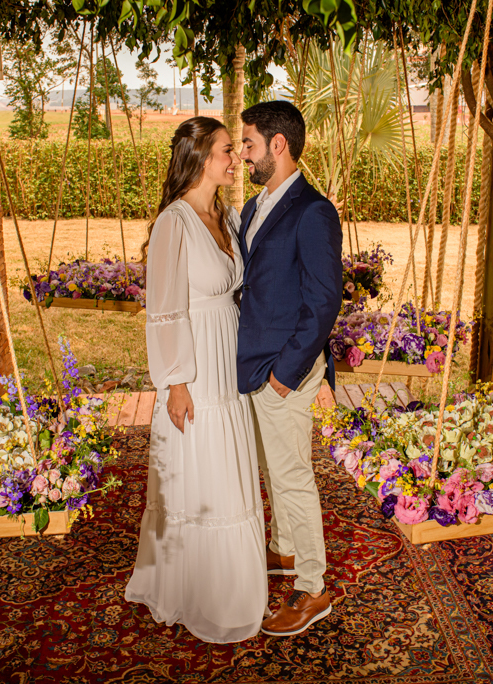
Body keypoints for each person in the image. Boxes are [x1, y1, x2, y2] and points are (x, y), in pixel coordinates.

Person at [125, 117, 268, 643]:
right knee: (201, 470)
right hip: (195, 366)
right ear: (201, 158)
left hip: (229, 354)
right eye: (228, 150)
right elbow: (163, 309)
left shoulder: (226, 215)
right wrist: (177, 382)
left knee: (230, 467)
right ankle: (197, 590)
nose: (237, 159)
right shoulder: (174, 223)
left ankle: (234, 589)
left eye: (235, 150)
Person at [236, 101, 343, 637]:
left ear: (278, 145)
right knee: (272, 470)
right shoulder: (253, 207)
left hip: (285, 372)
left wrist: (286, 373)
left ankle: (312, 588)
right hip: (253, 365)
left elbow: (324, 301)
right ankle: (283, 549)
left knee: (293, 478)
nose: (242, 155)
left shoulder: (313, 211)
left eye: (249, 144)